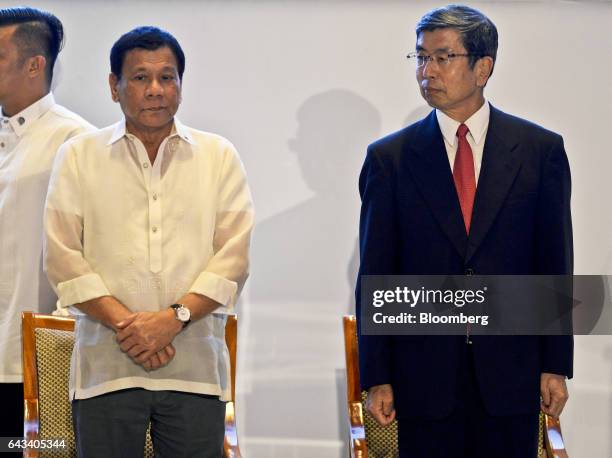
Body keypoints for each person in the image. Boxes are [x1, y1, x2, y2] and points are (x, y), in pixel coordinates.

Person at [356, 5, 573, 457]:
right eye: (419, 58)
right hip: (425, 376)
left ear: (483, 67)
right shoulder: (390, 159)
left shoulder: (539, 150)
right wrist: (377, 374)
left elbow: (554, 263)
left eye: (442, 57)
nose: (427, 70)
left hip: (511, 373)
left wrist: (555, 365)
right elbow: (377, 272)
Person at [44, 26, 253, 457]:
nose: (156, 90)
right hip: (106, 368)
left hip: (195, 368)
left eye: (168, 77)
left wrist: (172, 319)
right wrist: (132, 327)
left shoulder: (218, 155)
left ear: (181, 84)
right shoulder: (80, 155)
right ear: (114, 86)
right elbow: (63, 256)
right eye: (140, 78)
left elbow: (233, 257)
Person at [0, 6, 94, 443]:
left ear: (35, 65)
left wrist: (56, 347)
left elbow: (85, 252)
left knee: (23, 450)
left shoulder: (75, 142)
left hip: (31, 365)